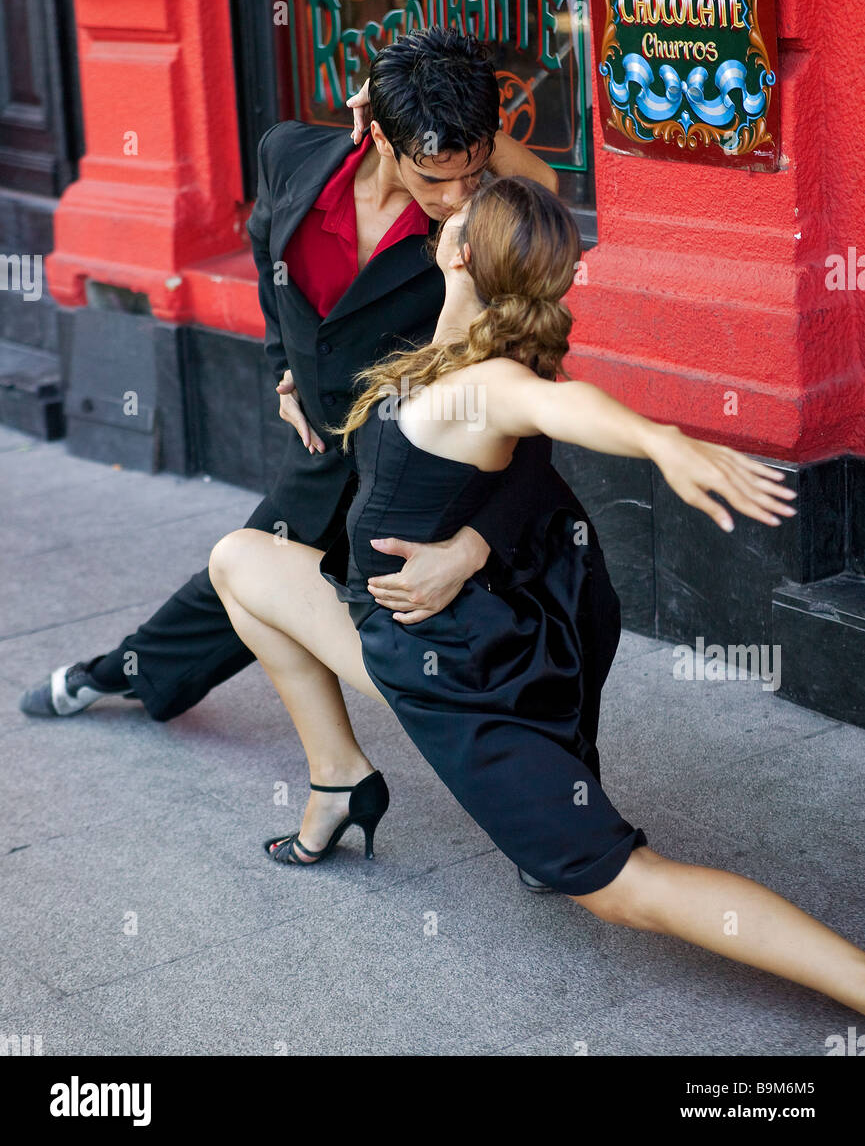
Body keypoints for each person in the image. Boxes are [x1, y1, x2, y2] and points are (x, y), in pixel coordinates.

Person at [208, 175, 865, 1013]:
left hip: (441, 669)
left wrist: (660, 440)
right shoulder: (453, 349)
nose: (446, 210)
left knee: (622, 887)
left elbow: (562, 407)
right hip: (418, 630)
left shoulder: (483, 384)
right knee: (239, 558)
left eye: (458, 215)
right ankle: (339, 781)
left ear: (456, 250)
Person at [19, 28, 558, 728]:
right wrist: (287, 368)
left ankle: (115, 675)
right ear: (384, 141)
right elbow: (268, 255)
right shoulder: (290, 151)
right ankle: (126, 677)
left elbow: (533, 412)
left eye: (473, 168)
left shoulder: (482, 233)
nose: (458, 195)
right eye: (436, 177)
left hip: (419, 470)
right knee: (252, 570)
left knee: (262, 576)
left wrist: (472, 545)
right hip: (321, 443)